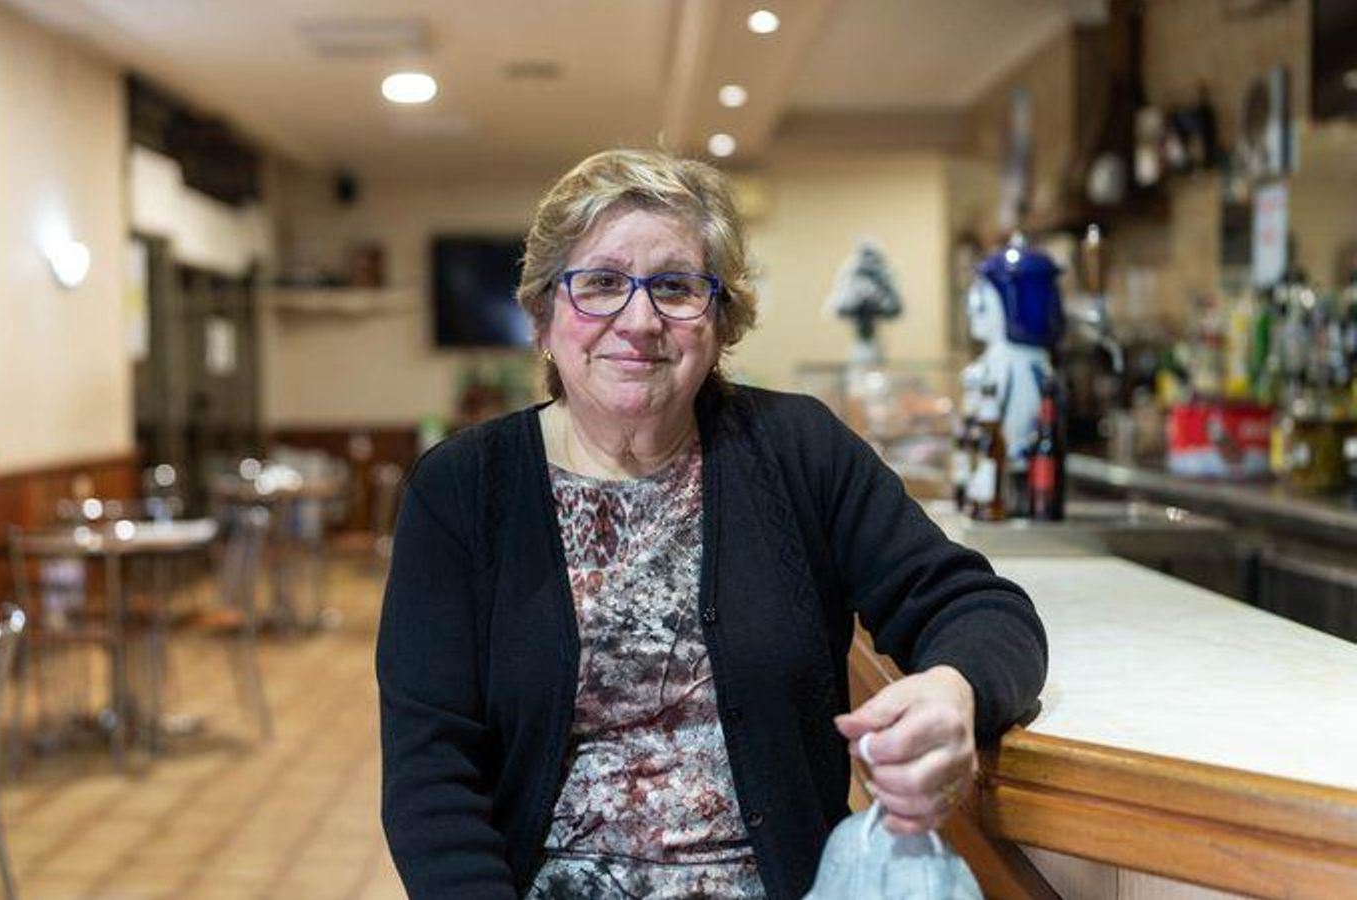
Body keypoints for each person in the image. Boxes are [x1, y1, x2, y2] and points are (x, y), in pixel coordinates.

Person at [377, 149, 1048, 900]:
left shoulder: (798, 450)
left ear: (721, 321)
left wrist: (955, 690)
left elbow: (983, 611)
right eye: (599, 283)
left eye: (674, 286)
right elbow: (431, 778)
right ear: (543, 316)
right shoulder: (462, 488)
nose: (639, 320)